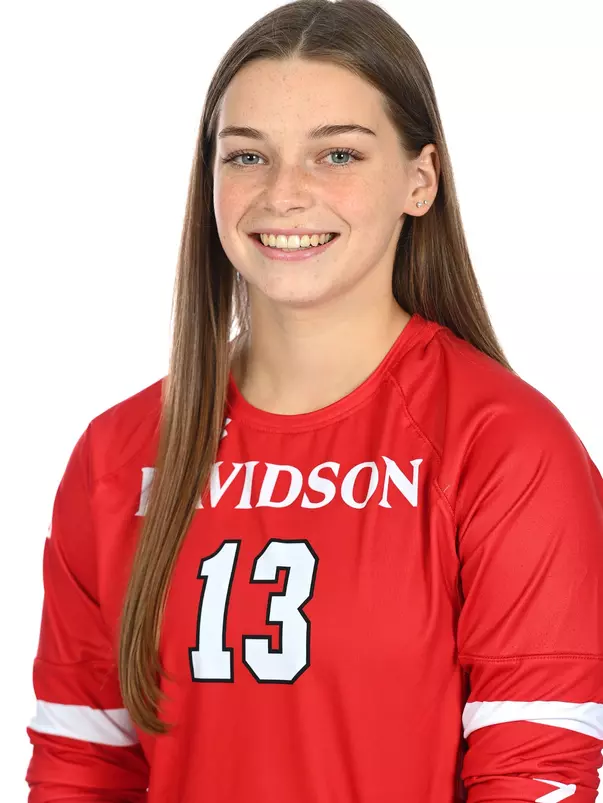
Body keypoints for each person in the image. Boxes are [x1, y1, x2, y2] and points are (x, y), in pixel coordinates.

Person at [25, 0, 603, 801]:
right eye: (246, 156)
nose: (284, 194)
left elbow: (534, 771)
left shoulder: (505, 448)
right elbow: (81, 768)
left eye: (336, 154)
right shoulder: (117, 453)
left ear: (418, 180)